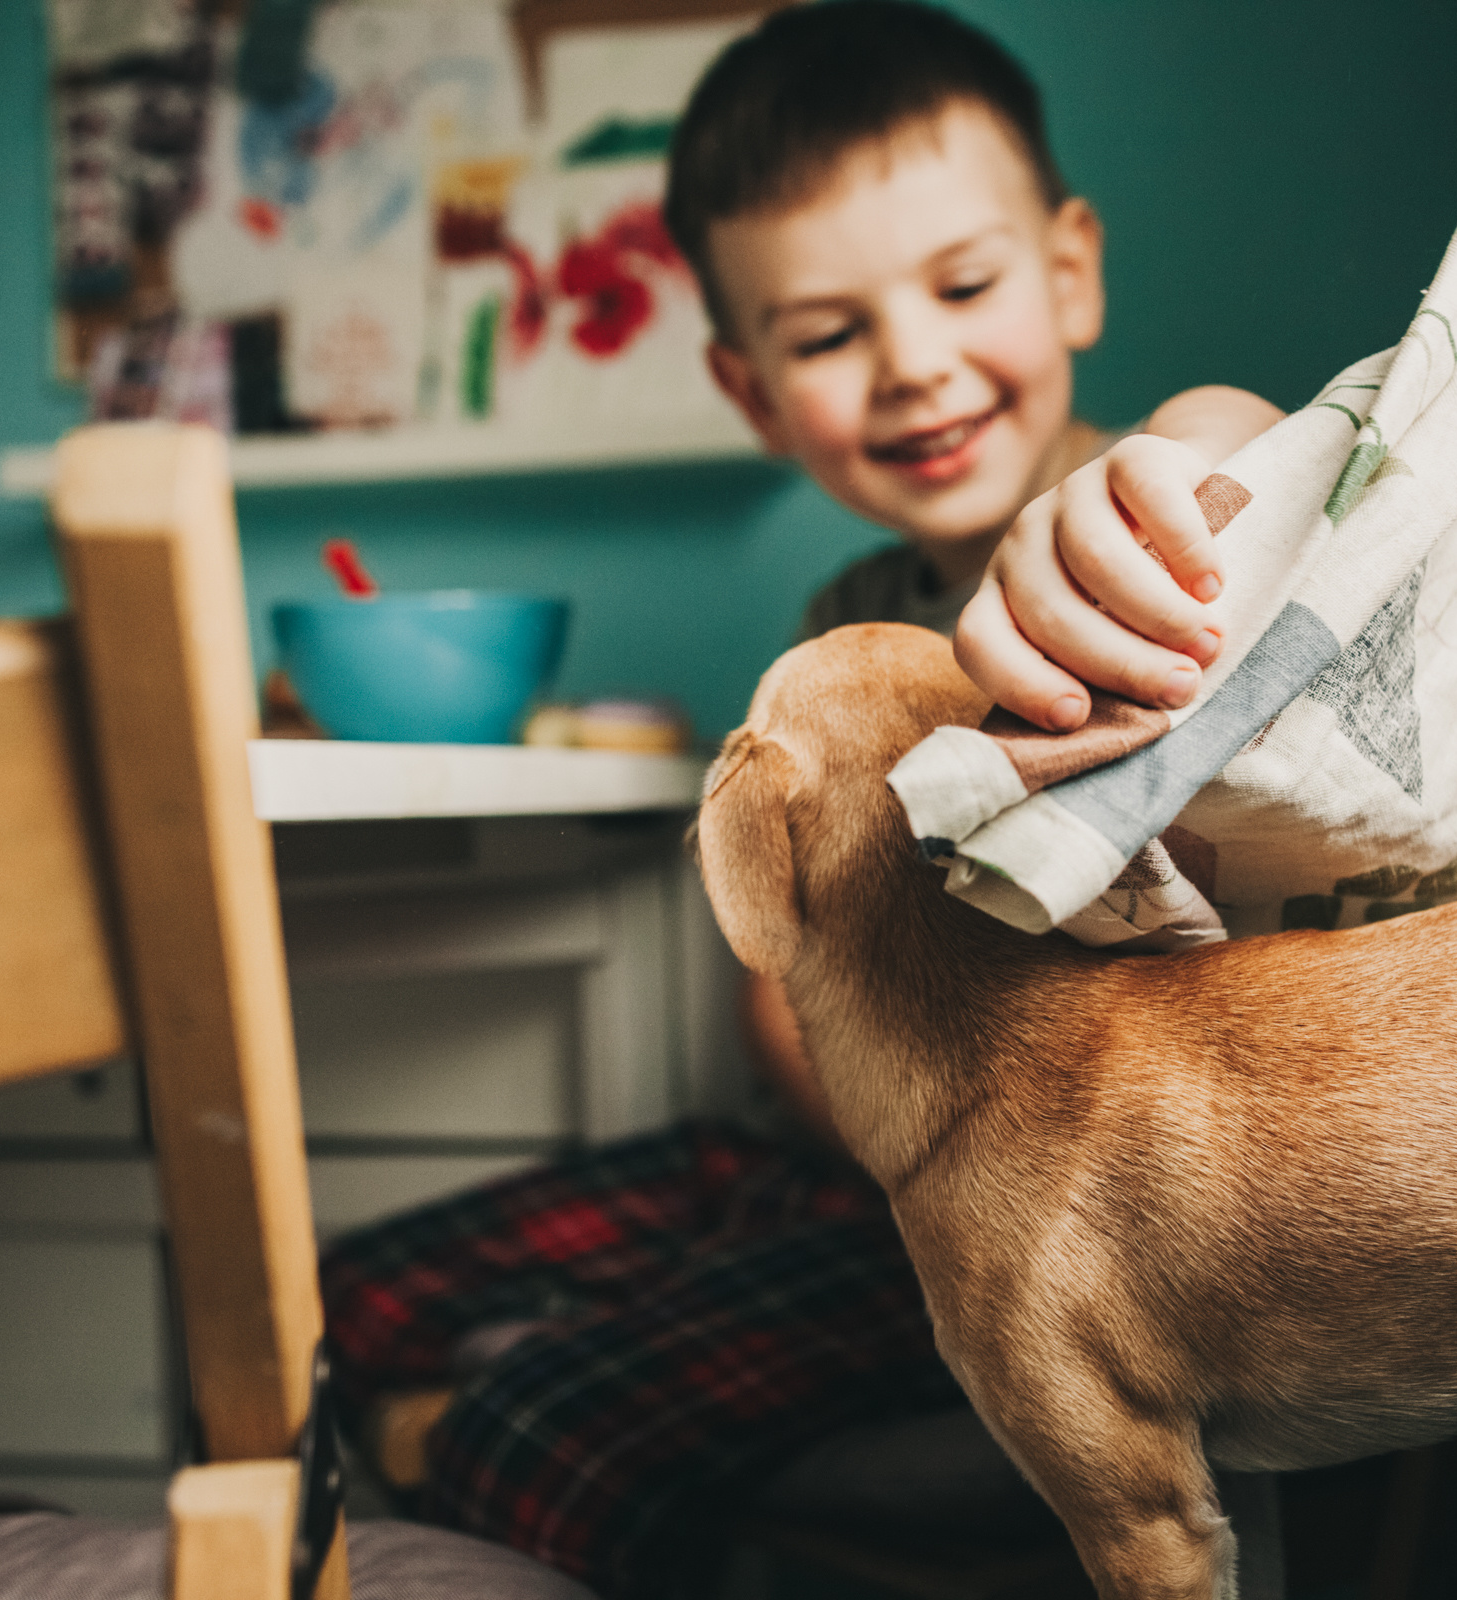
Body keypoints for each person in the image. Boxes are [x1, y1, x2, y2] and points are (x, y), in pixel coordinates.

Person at [318, 7, 1280, 1595]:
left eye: (963, 289)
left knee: (539, 1434)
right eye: (828, 338)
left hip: (1042, 1184)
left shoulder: (1165, 527)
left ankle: (523, 1436)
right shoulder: (846, 607)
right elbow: (788, 985)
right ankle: (544, 1394)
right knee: (347, 1295)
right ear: (751, 389)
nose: (912, 364)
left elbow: (1254, 449)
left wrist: (1181, 462)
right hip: (826, 1149)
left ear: (1070, 275)